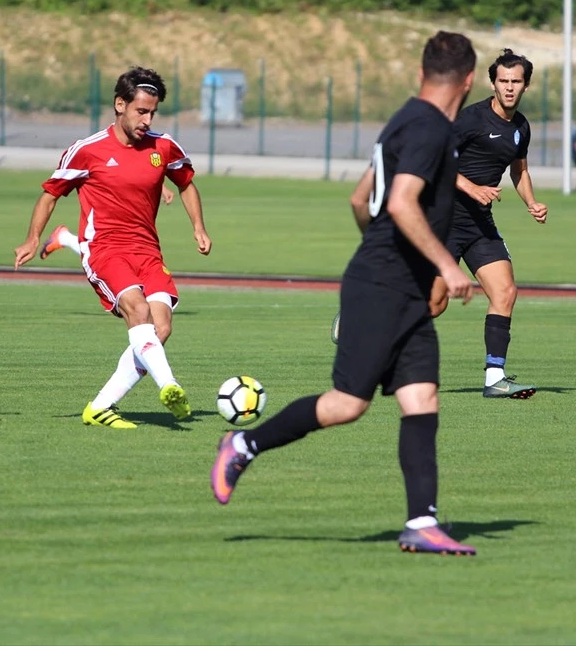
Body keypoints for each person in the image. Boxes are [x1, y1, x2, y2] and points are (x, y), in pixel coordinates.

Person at [211, 31, 480, 556]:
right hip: (384, 287)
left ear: (422, 72)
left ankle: (421, 523)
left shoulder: (407, 118)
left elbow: (361, 200)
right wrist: (443, 266)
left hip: (397, 284)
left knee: (422, 398)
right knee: (346, 405)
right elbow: (400, 204)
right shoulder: (429, 128)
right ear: (469, 81)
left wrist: (400, 266)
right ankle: (242, 444)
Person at [13, 67, 212, 428]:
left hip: (148, 251)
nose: (147, 119)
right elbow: (50, 194)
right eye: (141, 111)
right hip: (104, 250)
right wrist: (31, 238)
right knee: (138, 311)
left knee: (162, 327)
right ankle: (170, 386)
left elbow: (186, 183)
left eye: (152, 112)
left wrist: (198, 227)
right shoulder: (87, 151)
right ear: (120, 105)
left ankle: (100, 407)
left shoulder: (163, 146)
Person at [427, 49, 546, 400]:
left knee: (505, 292)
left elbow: (519, 170)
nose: (509, 88)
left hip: (479, 223)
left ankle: (495, 377)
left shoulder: (521, 127)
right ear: (493, 83)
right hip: (445, 219)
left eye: (516, 82)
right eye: (503, 81)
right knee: (434, 304)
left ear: (526, 85)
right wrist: (470, 186)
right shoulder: (470, 120)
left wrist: (531, 202)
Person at [39, 186, 175, 260]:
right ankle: (65, 238)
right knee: (109, 251)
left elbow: (135, 162)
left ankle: (65, 238)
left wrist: (160, 186)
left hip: (130, 199)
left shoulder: (132, 141)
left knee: (122, 250)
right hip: (110, 198)